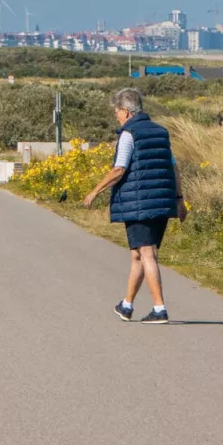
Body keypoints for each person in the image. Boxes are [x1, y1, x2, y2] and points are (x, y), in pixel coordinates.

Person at [82, 87, 186, 324]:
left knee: (147, 253)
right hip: (162, 200)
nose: (116, 116)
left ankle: (159, 308)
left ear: (127, 112)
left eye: (117, 112)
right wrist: (179, 200)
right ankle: (126, 305)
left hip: (139, 202)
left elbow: (119, 169)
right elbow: (173, 167)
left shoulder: (129, 134)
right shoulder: (161, 132)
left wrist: (94, 191)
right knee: (137, 254)